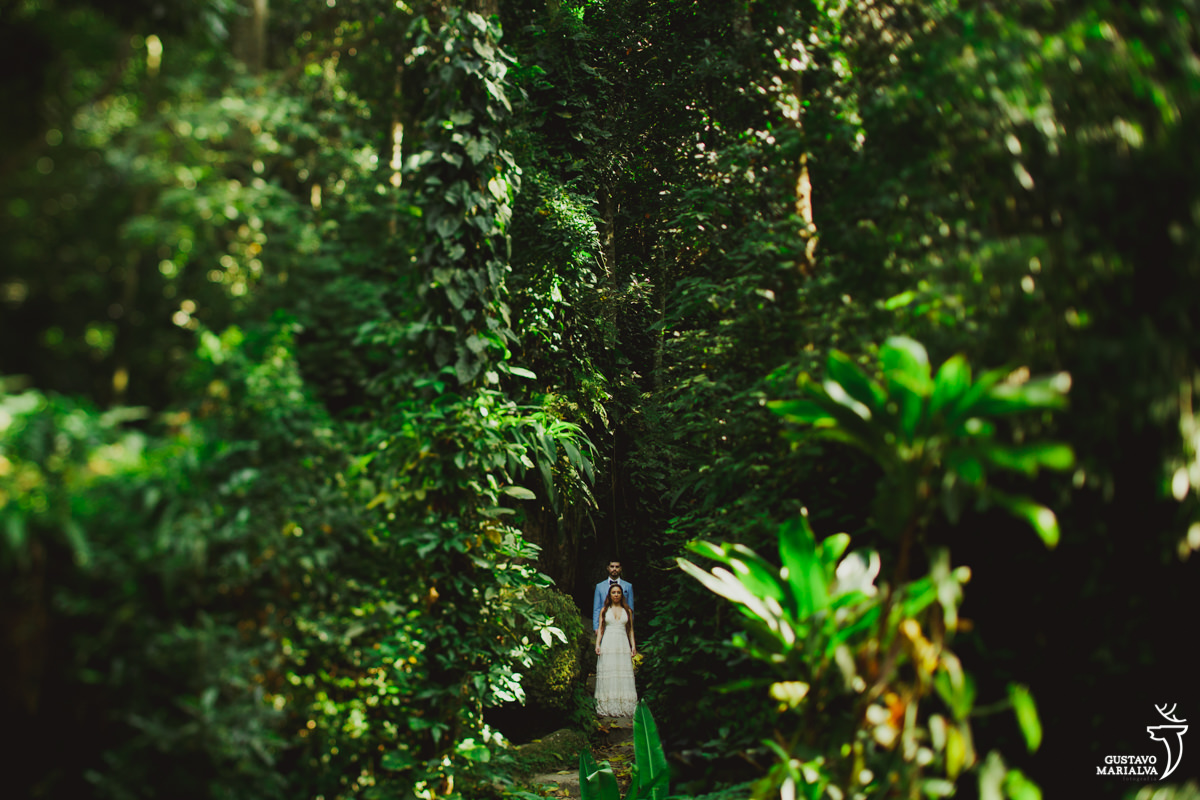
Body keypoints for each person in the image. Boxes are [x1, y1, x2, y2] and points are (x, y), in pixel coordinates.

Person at [594, 582, 637, 717]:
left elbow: (630, 631)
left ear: (621, 594)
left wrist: (633, 646)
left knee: (622, 671)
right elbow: (601, 629)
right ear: (610, 595)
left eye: (618, 592)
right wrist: (597, 644)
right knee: (609, 670)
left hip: (622, 643)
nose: (616, 595)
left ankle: (624, 705)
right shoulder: (604, 610)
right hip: (608, 642)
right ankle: (608, 705)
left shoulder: (628, 610)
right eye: (614, 592)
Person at [593, 561, 634, 635]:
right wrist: (596, 627)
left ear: (620, 569)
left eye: (617, 567)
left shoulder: (628, 586)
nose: (614, 569)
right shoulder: (599, 587)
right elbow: (597, 608)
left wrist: (630, 627)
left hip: (622, 625)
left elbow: (630, 608)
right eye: (612, 566)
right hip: (605, 624)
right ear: (608, 568)